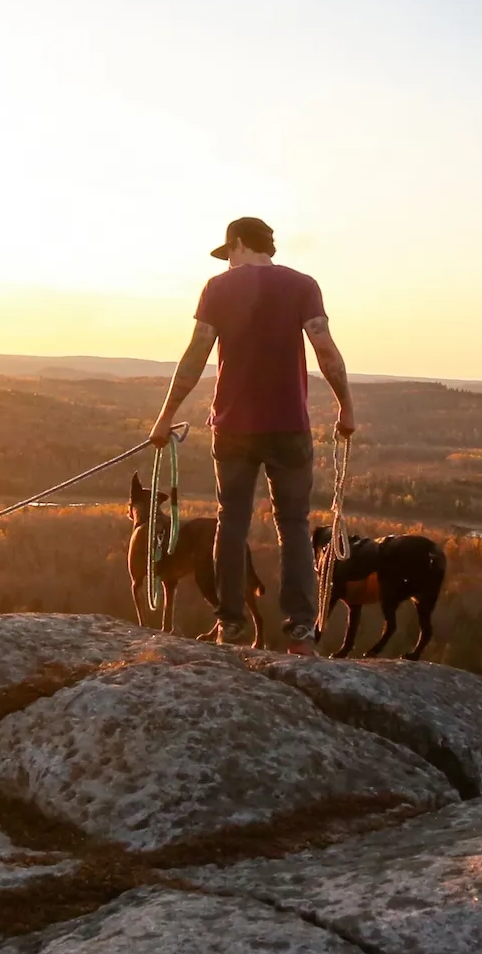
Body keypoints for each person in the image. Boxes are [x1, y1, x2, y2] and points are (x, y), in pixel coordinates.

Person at [148, 216, 355, 654]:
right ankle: (300, 632)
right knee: (294, 526)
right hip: (289, 427)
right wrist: (346, 408)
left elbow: (194, 356)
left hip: (234, 427)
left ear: (239, 244)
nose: (226, 265)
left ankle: (232, 625)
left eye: (228, 255)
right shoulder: (303, 286)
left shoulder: (217, 290)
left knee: (232, 523)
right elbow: (326, 351)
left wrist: (165, 416)